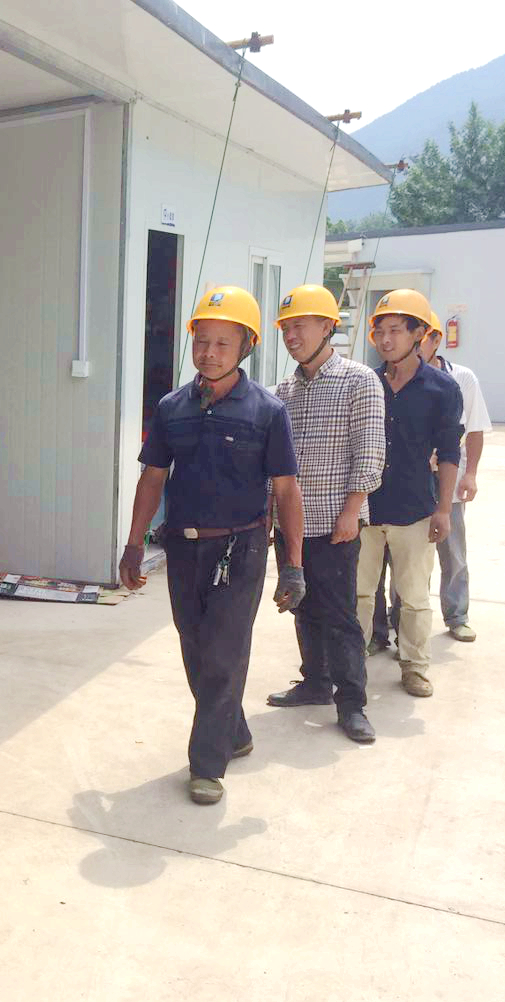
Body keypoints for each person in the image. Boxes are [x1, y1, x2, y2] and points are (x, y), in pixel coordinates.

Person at [118, 285, 305, 805]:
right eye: (201, 341)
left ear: (246, 345)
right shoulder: (171, 408)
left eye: (223, 343)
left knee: (223, 654)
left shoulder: (267, 411)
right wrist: (133, 545)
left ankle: (206, 766)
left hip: (241, 550)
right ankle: (234, 732)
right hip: (184, 549)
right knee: (196, 650)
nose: (209, 353)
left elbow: (286, 491)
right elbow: (153, 478)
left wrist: (293, 565)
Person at [265, 285, 386, 742]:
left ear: (327, 326)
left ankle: (352, 704)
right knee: (303, 607)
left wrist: (352, 511)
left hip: (336, 524)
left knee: (340, 616)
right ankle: (315, 682)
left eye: (299, 326)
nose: (291, 336)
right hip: (291, 526)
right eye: (285, 329)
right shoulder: (284, 391)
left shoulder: (359, 381)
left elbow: (369, 451)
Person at [355, 289, 464, 698]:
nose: (386, 340)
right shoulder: (366, 383)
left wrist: (443, 509)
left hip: (415, 509)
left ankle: (415, 666)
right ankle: (352, 662)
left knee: (414, 597)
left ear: (419, 333)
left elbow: (450, 452)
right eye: (380, 331)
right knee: (359, 593)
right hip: (365, 508)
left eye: (396, 330)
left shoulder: (442, 389)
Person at [392, 319, 492, 643]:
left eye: (421, 338)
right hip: (410, 482)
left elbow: (474, 429)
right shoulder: (394, 378)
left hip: (449, 480)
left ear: (434, 339)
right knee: (404, 556)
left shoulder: (462, 379)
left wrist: (471, 474)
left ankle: (457, 615)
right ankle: (398, 620)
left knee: (453, 553)